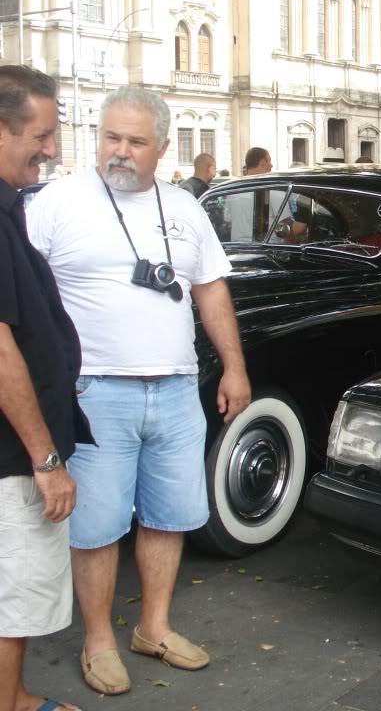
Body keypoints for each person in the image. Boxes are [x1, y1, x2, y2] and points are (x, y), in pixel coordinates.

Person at [27, 86, 252, 697]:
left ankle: (153, 628)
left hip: (177, 389)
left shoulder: (183, 206)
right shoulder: (57, 201)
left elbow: (210, 291)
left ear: (163, 147)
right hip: (93, 391)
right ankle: (98, 640)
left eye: (135, 142)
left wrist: (234, 367)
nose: (119, 152)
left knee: (168, 516)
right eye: (110, 138)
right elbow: (25, 300)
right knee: (96, 526)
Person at [0, 65, 90, 711]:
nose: (52, 149)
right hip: (13, 460)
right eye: (42, 133)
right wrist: (45, 457)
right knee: (15, 591)